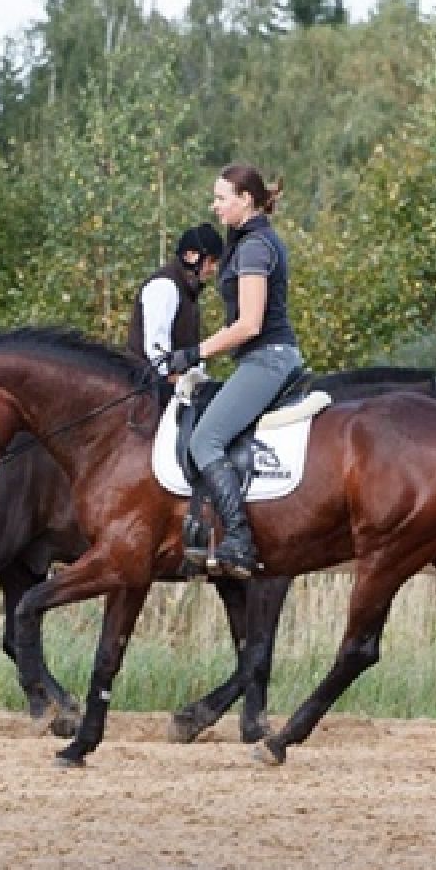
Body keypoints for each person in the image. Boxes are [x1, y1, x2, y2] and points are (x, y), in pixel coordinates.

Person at [165, 163, 304, 579]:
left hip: (268, 359)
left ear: (246, 199)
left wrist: (193, 354)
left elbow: (249, 324)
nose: (215, 205)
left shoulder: (255, 248)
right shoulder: (247, 243)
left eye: (222, 198)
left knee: (205, 439)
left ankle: (239, 539)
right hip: (261, 359)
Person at [127, 222, 224, 371]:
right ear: (191, 256)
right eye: (211, 261)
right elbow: (156, 350)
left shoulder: (187, 289)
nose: (214, 268)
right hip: (149, 387)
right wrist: (174, 378)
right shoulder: (164, 286)